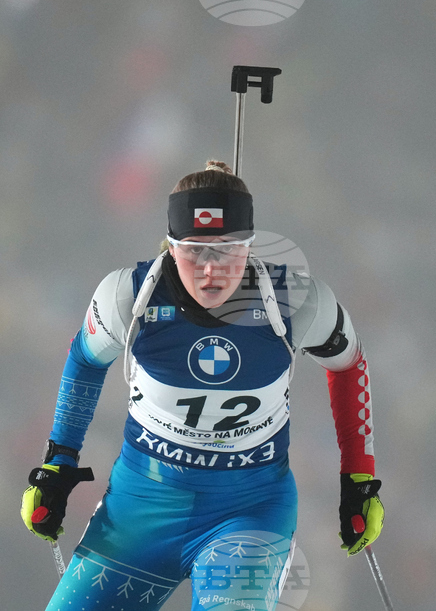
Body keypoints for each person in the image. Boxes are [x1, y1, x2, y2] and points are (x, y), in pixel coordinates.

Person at [21, 161, 385, 611]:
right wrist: (59, 462)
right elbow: (84, 361)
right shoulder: (127, 298)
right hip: (142, 506)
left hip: (248, 510)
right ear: (170, 247)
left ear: (250, 247)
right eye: (195, 251)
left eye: (228, 250)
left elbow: (349, 365)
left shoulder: (295, 302)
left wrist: (359, 477)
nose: (211, 270)